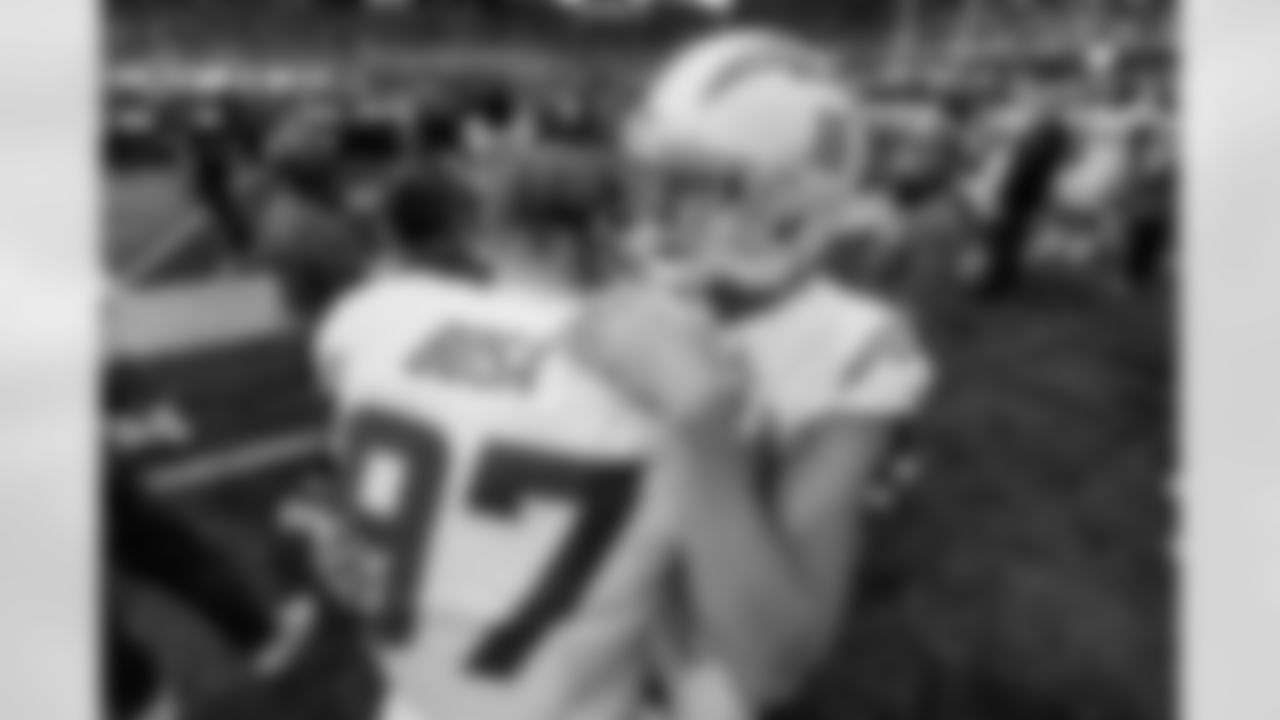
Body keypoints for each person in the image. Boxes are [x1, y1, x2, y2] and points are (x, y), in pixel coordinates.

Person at [299, 29, 933, 720]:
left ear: (793, 201)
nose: (650, 211)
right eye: (653, 177)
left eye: (697, 185)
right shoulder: (630, 285)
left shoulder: (850, 343)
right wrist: (373, 523)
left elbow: (773, 663)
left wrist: (705, 431)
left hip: (683, 673)